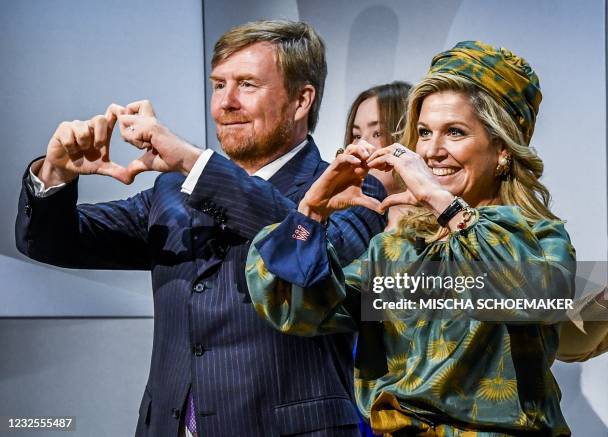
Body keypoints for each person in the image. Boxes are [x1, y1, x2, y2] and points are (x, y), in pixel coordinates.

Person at [14, 20, 387, 437]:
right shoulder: (172, 191)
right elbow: (52, 242)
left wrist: (196, 163)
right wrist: (55, 173)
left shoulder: (351, 187)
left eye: (246, 84)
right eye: (218, 85)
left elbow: (320, 260)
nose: (225, 103)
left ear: (301, 100)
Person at [246, 41, 576, 436]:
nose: (432, 151)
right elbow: (296, 310)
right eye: (423, 133)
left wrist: (442, 202)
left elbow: (532, 297)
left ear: (502, 149)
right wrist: (310, 213)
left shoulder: (539, 239)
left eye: (455, 132)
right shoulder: (397, 248)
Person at [344, 81, 411, 230]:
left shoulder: (445, 225)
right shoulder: (344, 221)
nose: (360, 146)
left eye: (378, 133)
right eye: (356, 135)